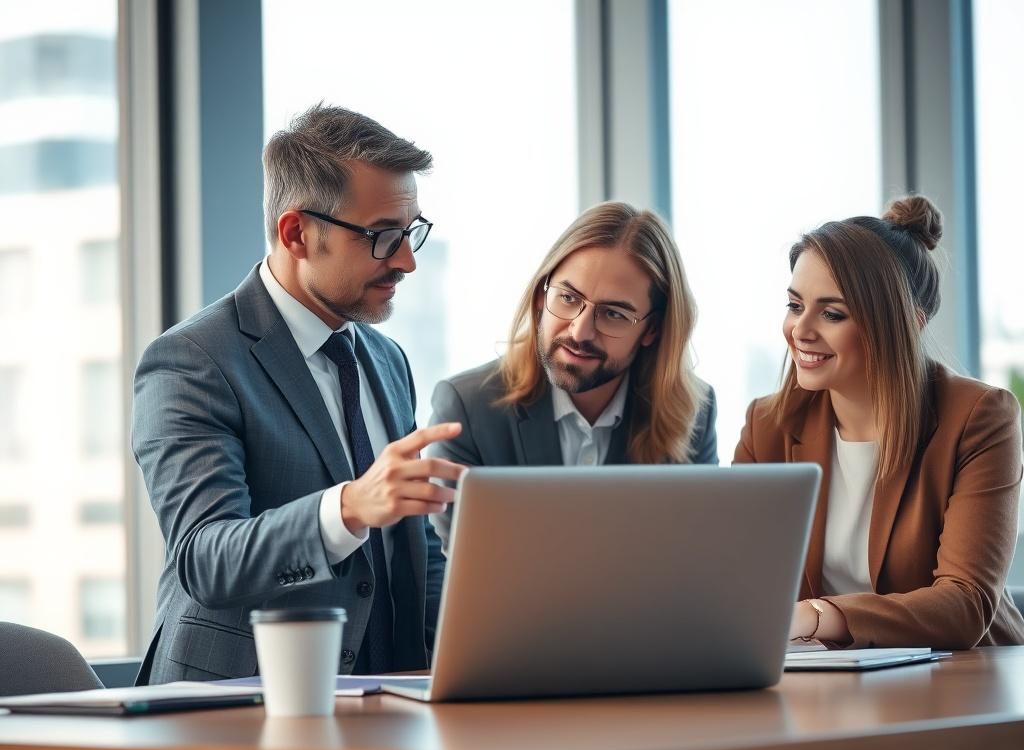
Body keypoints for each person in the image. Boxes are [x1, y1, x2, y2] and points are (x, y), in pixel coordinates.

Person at [132, 104, 465, 683]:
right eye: (384, 238)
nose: (407, 261)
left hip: (386, 711)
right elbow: (206, 558)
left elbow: (408, 554)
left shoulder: (386, 359)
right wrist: (349, 508)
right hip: (236, 710)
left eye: (410, 233)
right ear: (297, 234)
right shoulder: (193, 360)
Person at [735, 195, 1024, 650]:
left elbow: (965, 605)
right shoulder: (767, 425)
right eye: (795, 305)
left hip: (963, 680)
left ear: (906, 324)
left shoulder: (979, 418)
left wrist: (814, 616)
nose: (800, 330)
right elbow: (736, 581)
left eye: (832, 314)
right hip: (819, 684)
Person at [428, 202, 718, 552]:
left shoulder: (692, 414)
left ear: (652, 330)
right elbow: (453, 573)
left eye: (613, 314)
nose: (580, 331)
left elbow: (698, 564)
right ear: (540, 296)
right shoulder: (468, 408)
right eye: (567, 298)